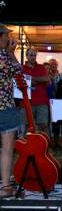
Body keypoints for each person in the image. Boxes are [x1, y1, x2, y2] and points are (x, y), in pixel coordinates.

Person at [0, 25, 22, 197]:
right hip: (5, 107)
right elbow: (17, 70)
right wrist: (12, 52)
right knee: (7, 149)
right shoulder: (3, 55)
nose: (9, 39)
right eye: (7, 36)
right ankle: (6, 187)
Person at [21, 48, 50, 135]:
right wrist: (39, 80)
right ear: (26, 56)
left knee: (44, 125)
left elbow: (46, 79)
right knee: (27, 126)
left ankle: (45, 146)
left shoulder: (41, 67)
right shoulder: (22, 68)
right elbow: (21, 81)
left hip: (42, 101)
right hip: (26, 102)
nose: (33, 57)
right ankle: (27, 147)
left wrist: (29, 79)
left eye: (35, 55)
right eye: (31, 55)